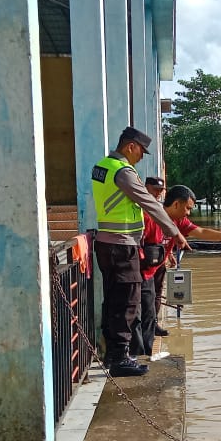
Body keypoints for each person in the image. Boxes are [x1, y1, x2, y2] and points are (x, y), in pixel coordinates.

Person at [92, 128, 188, 376]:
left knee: (114, 299)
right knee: (127, 301)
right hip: (122, 246)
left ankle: (113, 352)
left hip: (106, 243)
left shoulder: (102, 166)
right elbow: (149, 203)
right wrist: (174, 232)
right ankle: (120, 358)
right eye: (141, 152)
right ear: (130, 146)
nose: (142, 157)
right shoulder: (123, 172)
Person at [131, 185, 221, 355]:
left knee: (149, 311)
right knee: (141, 312)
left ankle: (145, 352)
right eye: (188, 208)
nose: (189, 213)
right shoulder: (149, 218)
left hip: (155, 269)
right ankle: (139, 354)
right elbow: (136, 245)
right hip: (140, 272)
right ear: (176, 204)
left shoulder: (179, 221)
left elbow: (201, 231)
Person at [143, 177, 171, 338]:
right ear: (146, 187)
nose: (158, 194)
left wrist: (169, 253)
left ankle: (153, 324)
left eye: (161, 191)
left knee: (157, 292)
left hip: (159, 254)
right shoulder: (141, 207)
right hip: (146, 255)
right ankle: (146, 328)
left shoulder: (159, 208)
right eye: (155, 190)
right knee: (147, 294)